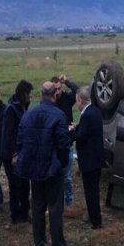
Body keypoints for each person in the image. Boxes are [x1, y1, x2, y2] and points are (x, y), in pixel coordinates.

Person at [16, 82, 75, 246]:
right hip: (52, 168)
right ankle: (58, 244)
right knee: (55, 206)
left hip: (34, 169)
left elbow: (21, 140)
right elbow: (63, 144)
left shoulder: (28, 115)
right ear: (55, 95)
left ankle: (40, 242)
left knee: (38, 205)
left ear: (41, 95)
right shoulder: (58, 115)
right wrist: (62, 163)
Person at [72, 87, 106, 229]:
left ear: (80, 100)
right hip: (97, 159)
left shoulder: (86, 115)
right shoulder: (95, 111)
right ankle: (95, 216)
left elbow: (81, 137)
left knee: (90, 192)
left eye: (77, 102)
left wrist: (71, 133)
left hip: (89, 161)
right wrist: (78, 127)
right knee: (94, 190)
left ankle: (95, 221)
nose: (76, 105)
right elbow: (88, 130)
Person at [1, 80, 33, 224]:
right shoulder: (11, 110)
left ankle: (25, 212)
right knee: (15, 185)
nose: (31, 97)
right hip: (13, 156)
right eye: (29, 94)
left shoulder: (23, 108)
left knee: (25, 184)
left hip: (23, 154)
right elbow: (8, 134)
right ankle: (15, 215)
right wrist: (14, 154)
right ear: (23, 94)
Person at [50, 75, 79, 208]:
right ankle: (56, 201)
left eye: (59, 88)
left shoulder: (66, 98)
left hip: (67, 143)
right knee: (54, 176)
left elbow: (78, 91)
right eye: (55, 89)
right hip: (53, 145)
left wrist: (67, 81)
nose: (58, 92)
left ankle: (69, 203)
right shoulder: (48, 103)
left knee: (67, 177)